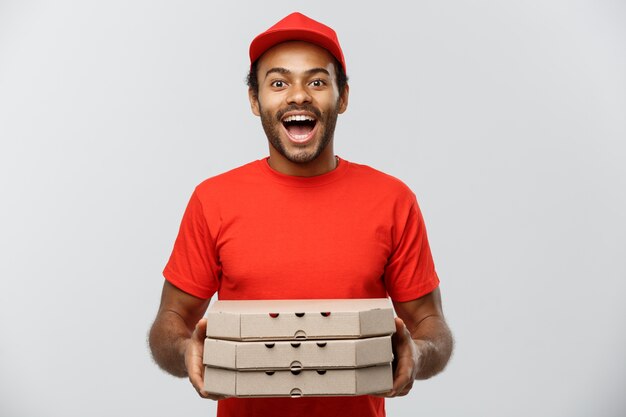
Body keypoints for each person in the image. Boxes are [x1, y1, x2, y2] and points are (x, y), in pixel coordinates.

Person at [149, 12, 453, 417]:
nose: (298, 96)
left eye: (316, 81)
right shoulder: (212, 200)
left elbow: (432, 324)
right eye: (278, 83)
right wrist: (186, 350)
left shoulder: (393, 200)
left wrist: (418, 351)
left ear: (342, 97)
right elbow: (170, 321)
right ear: (255, 101)